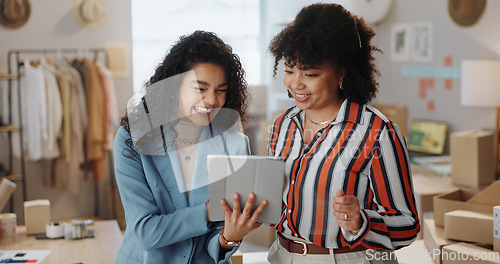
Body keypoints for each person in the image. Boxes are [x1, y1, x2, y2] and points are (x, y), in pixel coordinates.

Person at [266, 3, 420, 263]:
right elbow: (281, 202)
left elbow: (408, 225)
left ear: (341, 73)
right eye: (289, 70)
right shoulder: (283, 124)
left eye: (310, 73)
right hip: (282, 255)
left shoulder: (378, 132)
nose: (295, 83)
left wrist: (361, 221)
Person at [113, 30, 268, 264]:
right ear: (174, 86)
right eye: (200, 88)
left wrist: (229, 238)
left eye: (221, 90)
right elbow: (146, 232)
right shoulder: (132, 139)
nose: (211, 100)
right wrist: (209, 209)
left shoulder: (234, 142)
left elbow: (222, 234)